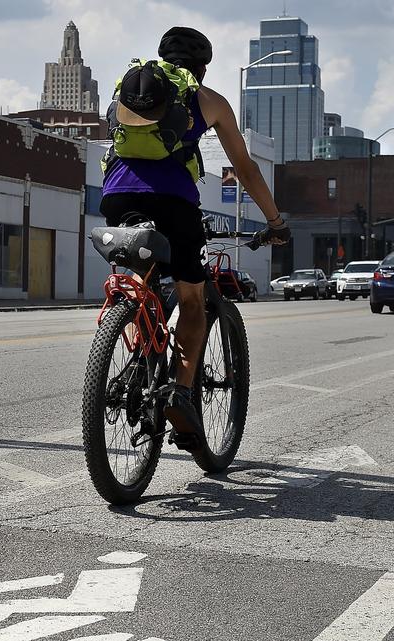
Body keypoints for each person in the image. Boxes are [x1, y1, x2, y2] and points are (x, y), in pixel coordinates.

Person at [100, 26, 289, 448]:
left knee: (144, 281)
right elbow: (245, 168)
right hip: (174, 205)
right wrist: (275, 222)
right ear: (203, 67)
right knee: (192, 299)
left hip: (115, 199)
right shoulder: (207, 100)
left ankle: (141, 352)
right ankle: (180, 395)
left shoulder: (129, 90)